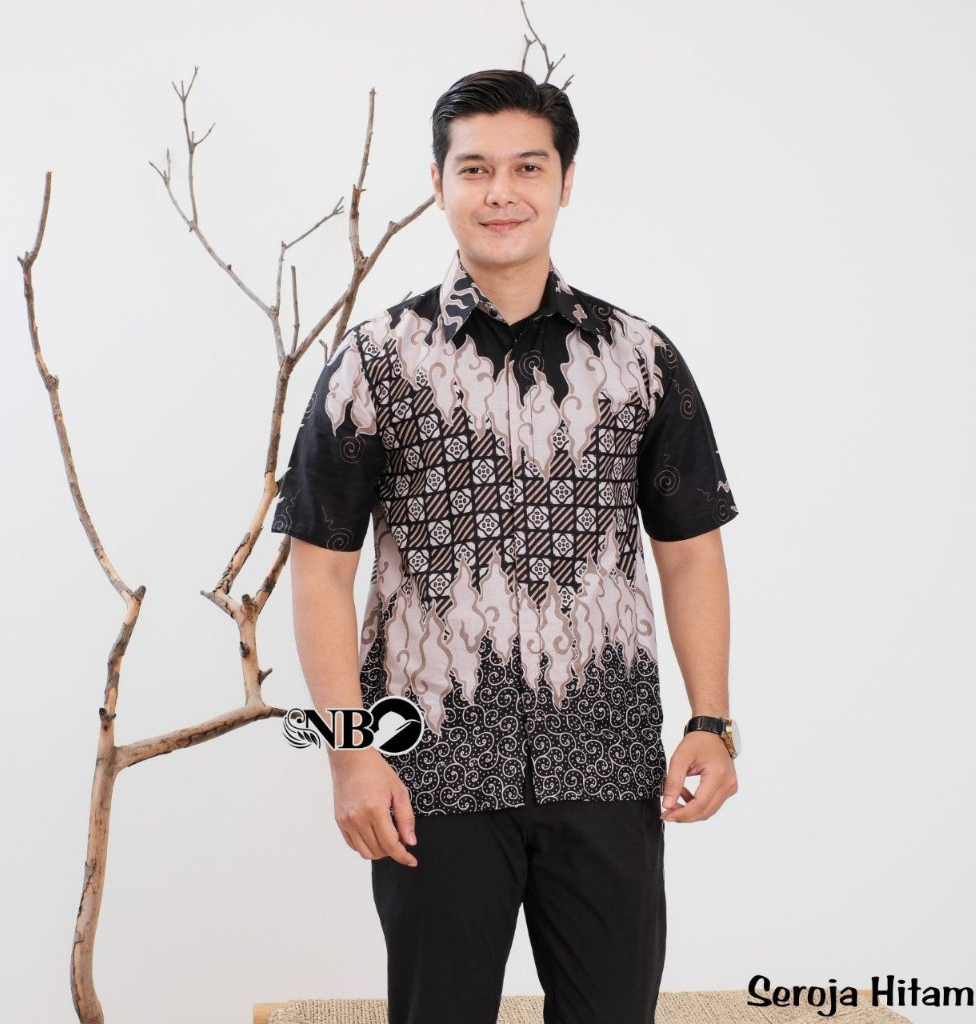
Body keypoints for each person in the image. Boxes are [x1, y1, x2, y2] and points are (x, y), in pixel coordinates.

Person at [271, 68, 741, 1024]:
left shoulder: (640, 358)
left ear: (566, 181)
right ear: (438, 183)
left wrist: (713, 721)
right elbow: (320, 570)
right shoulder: (375, 361)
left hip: (605, 762)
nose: (502, 192)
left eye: (528, 167)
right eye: (475, 168)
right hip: (428, 773)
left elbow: (690, 549)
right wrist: (349, 753)